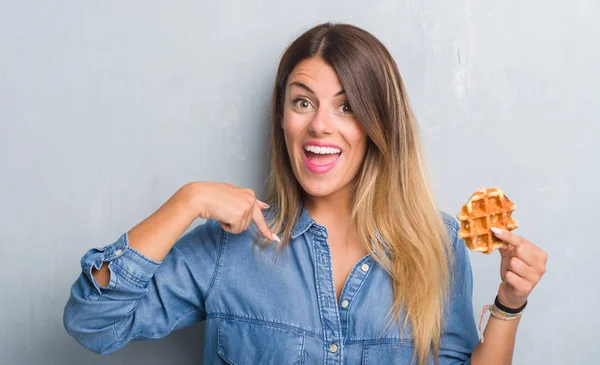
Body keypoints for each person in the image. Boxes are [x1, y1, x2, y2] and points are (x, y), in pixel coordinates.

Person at [63, 22, 547, 365]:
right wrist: (187, 201)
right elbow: (93, 321)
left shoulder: (436, 243)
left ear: (380, 123)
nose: (320, 124)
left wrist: (508, 304)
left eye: (347, 106)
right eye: (303, 101)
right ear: (282, 117)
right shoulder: (226, 248)